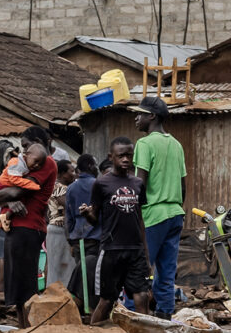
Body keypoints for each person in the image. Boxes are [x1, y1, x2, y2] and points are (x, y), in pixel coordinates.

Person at [0, 133, 57, 315]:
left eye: (30, 146)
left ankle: (28, 329)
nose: (26, 152)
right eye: (25, 148)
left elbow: (16, 192)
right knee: (17, 286)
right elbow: (5, 193)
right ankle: (23, 327)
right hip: (18, 227)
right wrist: (0, 198)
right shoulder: (23, 163)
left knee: (26, 286)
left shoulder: (46, 162)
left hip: (28, 226)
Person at [131, 99, 187, 313]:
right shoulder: (176, 144)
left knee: (139, 272)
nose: (136, 118)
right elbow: (183, 186)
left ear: (151, 116)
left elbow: (139, 185)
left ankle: (133, 317)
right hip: (175, 214)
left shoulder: (144, 144)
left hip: (152, 215)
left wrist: (136, 217)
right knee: (166, 274)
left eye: (140, 114)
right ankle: (165, 320)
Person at [90, 137, 150, 315]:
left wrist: (145, 252)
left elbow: (139, 218)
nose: (126, 160)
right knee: (107, 300)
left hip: (135, 249)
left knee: (142, 296)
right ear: (111, 157)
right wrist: (87, 215)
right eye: (121, 156)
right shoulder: (101, 183)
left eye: (129, 156)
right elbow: (94, 218)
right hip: (111, 249)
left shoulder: (138, 184)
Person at [61, 147, 101, 311]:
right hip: (96, 237)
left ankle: (85, 307)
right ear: (91, 166)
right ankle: (94, 308)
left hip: (78, 238)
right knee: (95, 276)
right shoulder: (99, 185)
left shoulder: (71, 188)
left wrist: (70, 240)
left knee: (82, 273)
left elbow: (68, 218)